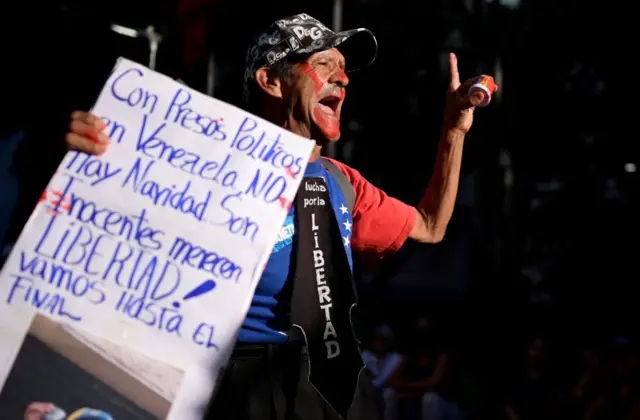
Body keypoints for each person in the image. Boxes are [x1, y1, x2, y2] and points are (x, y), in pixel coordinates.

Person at [64, 12, 491, 420]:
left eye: (344, 69)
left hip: (339, 388)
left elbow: (430, 227)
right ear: (270, 81)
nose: (342, 77)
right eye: (324, 63)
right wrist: (92, 154)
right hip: (241, 385)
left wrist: (453, 131)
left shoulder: (342, 182)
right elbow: (114, 226)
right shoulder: (201, 165)